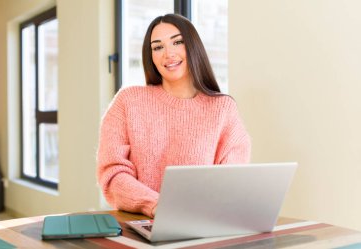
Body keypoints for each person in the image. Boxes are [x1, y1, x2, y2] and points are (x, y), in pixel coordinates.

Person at [97, 14, 251, 218]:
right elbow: (112, 174)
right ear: (150, 56)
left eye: (177, 42)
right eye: (158, 47)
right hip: (139, 224)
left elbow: (232, 181)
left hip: (201, 223)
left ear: (193, 46)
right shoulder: (127, 101)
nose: (168, 54)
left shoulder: (223, 108)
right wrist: (156, 206)